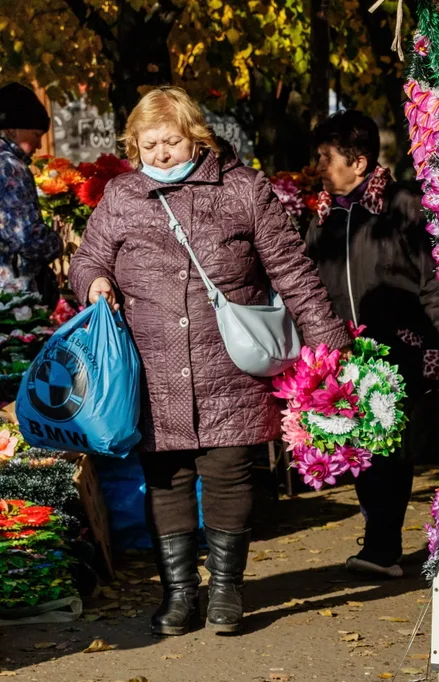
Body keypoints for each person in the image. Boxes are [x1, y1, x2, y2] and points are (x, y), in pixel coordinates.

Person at [69, 87, 351, 636]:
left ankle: (225, 589)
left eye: (171, 141)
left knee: (228, 474)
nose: (160, 154)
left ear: (195, 136)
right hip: (151, 369)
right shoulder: (123, 195)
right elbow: (88, 258)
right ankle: (179, 594)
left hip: (231, 368)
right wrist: (94, 281)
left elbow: (291, 272)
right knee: (166, 478)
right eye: (148, 145)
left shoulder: (242, 189)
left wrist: (330, 348)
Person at [307, 110, 439, 578]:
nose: (318, 167)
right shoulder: (322, 215)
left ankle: (382, 548)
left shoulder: (404, 205)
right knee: (356, 445)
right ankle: (380, 542)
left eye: (325, 158)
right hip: (343, 351)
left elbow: (435, 280)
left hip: (399, 347)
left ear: (358, 162)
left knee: (387, 446)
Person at [0, 83, 63, 300]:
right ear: (11, 129)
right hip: (11, 292)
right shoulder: (9, 167)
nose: (39, 144)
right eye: (36, 134)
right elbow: (26, 237)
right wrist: (57, 243)